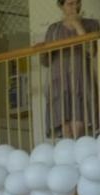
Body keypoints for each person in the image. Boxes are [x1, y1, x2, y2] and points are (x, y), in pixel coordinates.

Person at [43, 0, 100, 139]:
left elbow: (92, 51)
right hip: (59, 80)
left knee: (80, 125)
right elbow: (45, 61)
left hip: (80, 79)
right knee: (65, 129)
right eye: (70, 3)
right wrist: (48, 50)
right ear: (61, 6)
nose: (75, 7)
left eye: (77, 3)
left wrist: (78, 26)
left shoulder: (91, 24)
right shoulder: (53, 29)